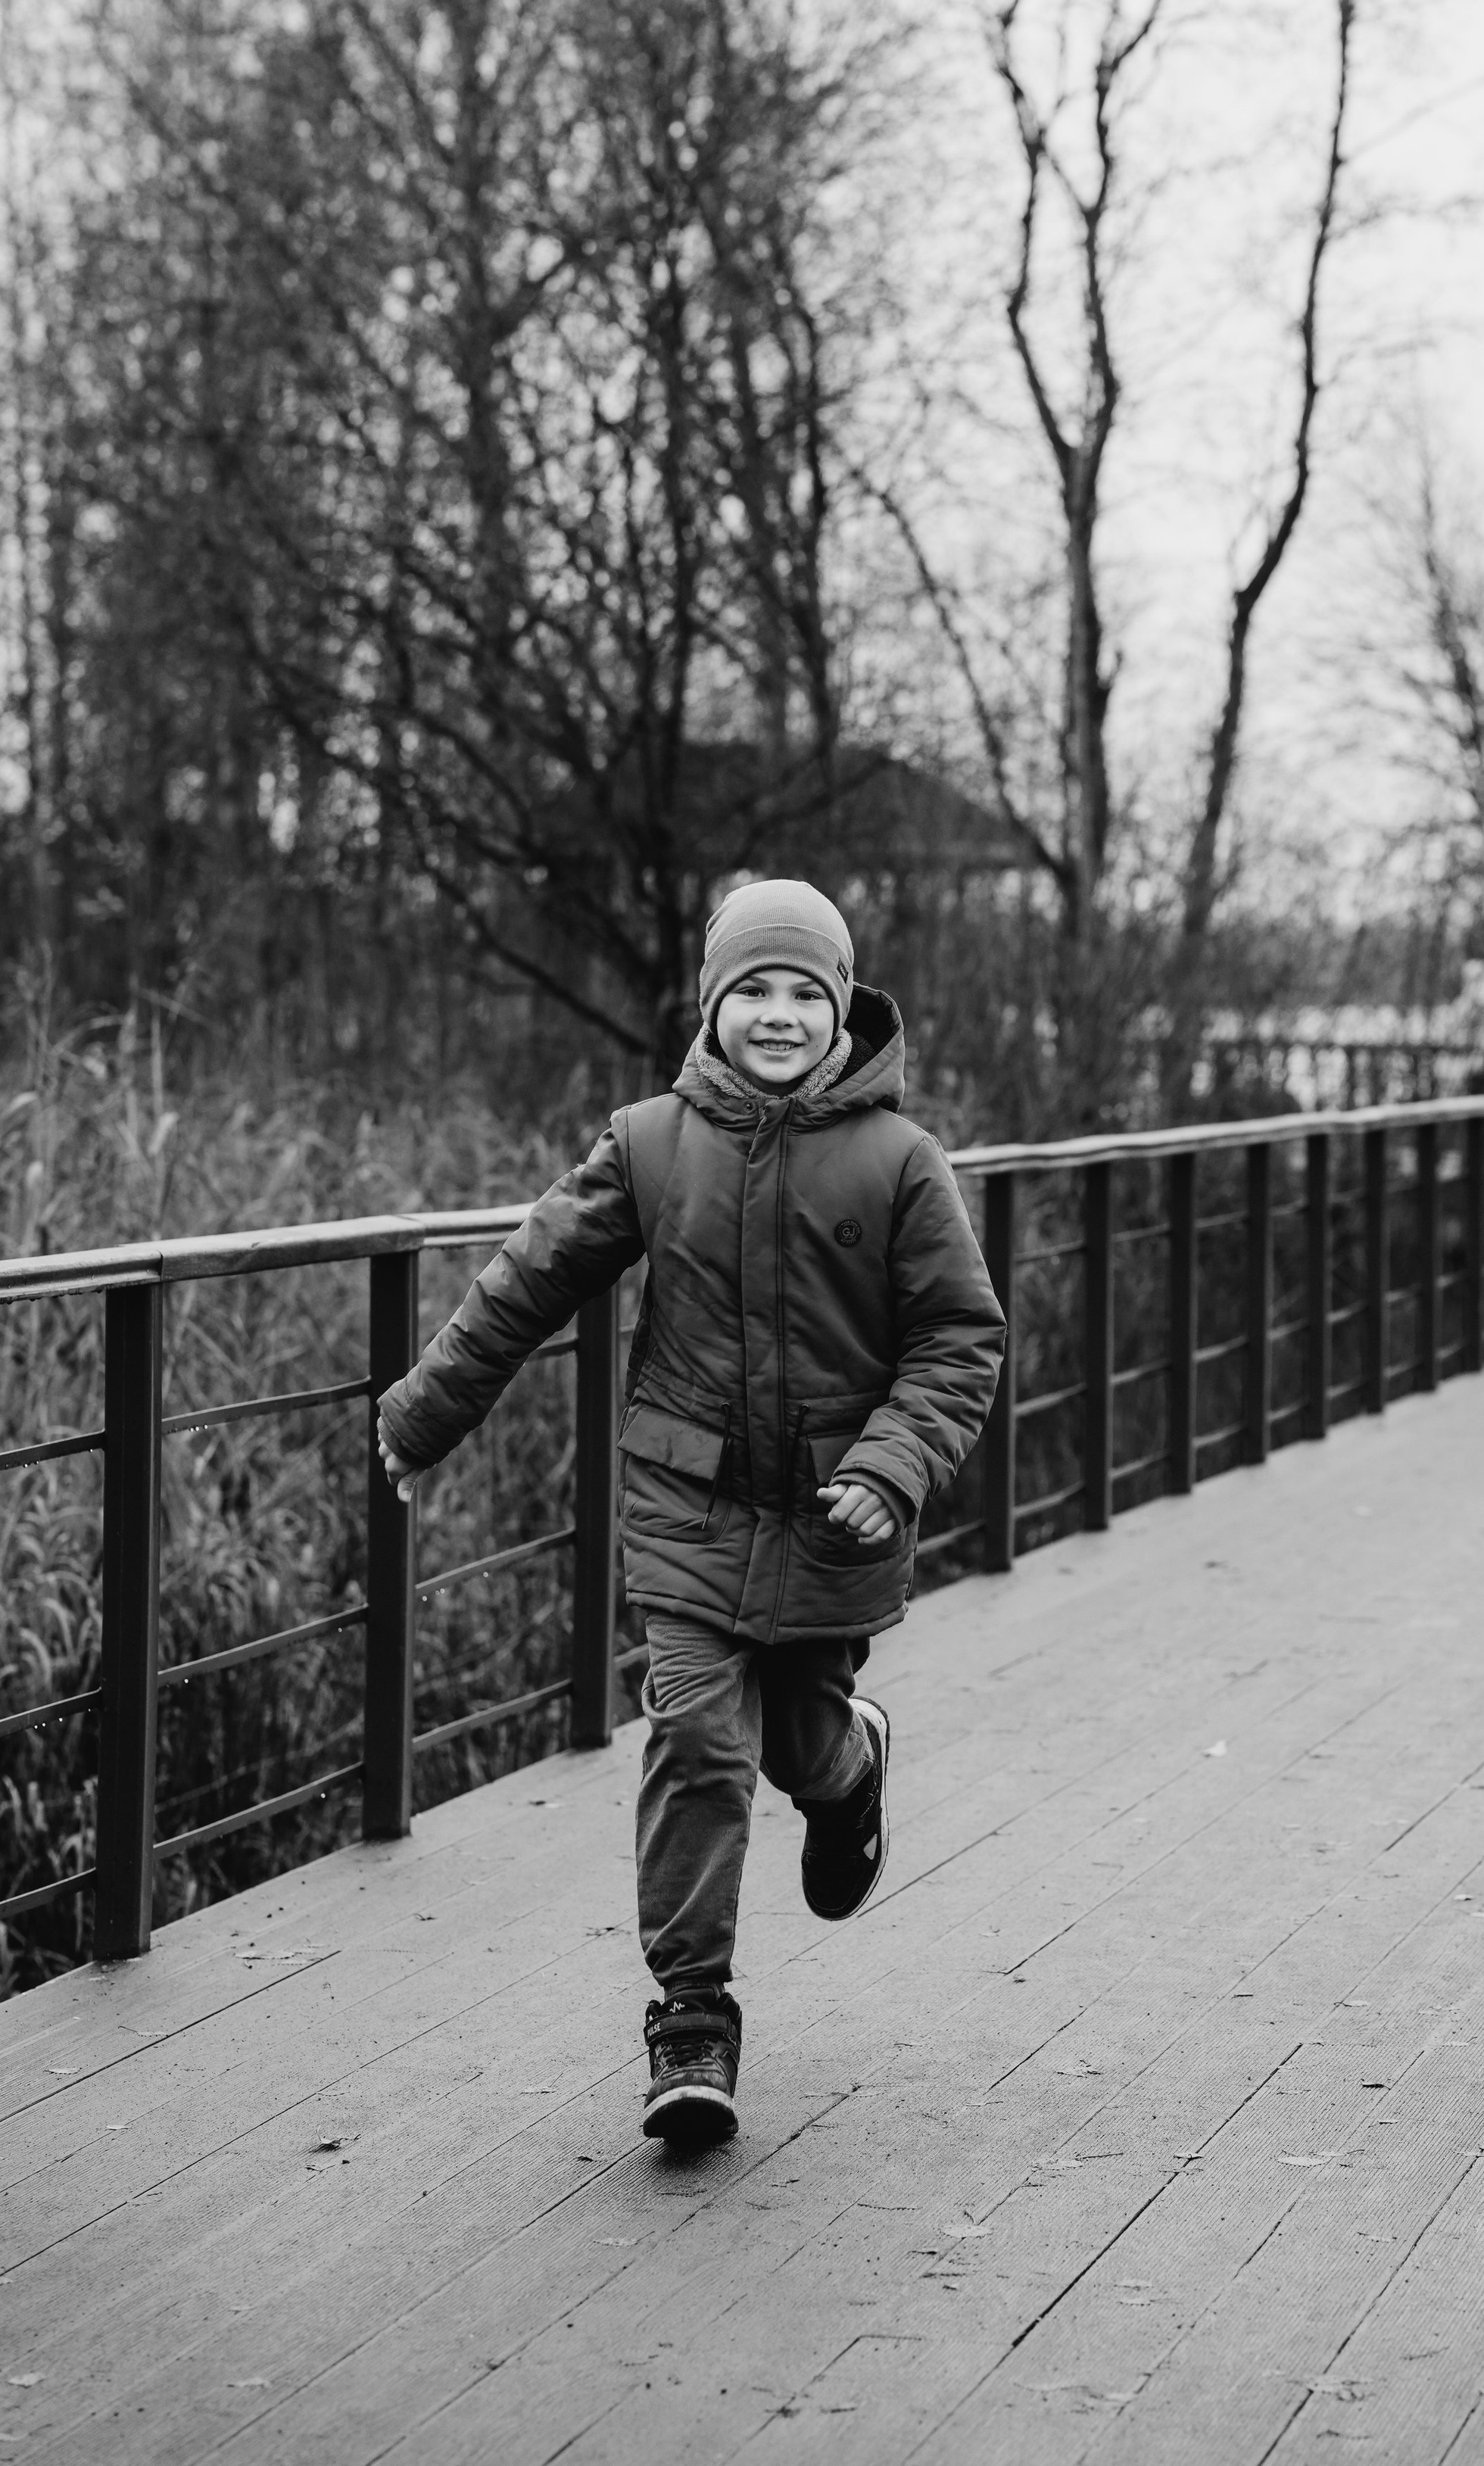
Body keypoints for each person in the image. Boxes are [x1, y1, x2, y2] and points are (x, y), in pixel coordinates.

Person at [375, 879, 1005, 2146]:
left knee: (794, 1743)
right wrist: (420, 1414)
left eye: (804, 994)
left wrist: (889, 1468)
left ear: (842, 1013)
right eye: (752, 991)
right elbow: (527, 1281)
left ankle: (849, 1766)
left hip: (837, 1517)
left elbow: (958, 1342)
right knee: (702, 1742)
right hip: (687, 1507)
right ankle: (690, 2019)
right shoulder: (654, 1141)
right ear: (712, 1008)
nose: (777, 1015)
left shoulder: (901, 1163)